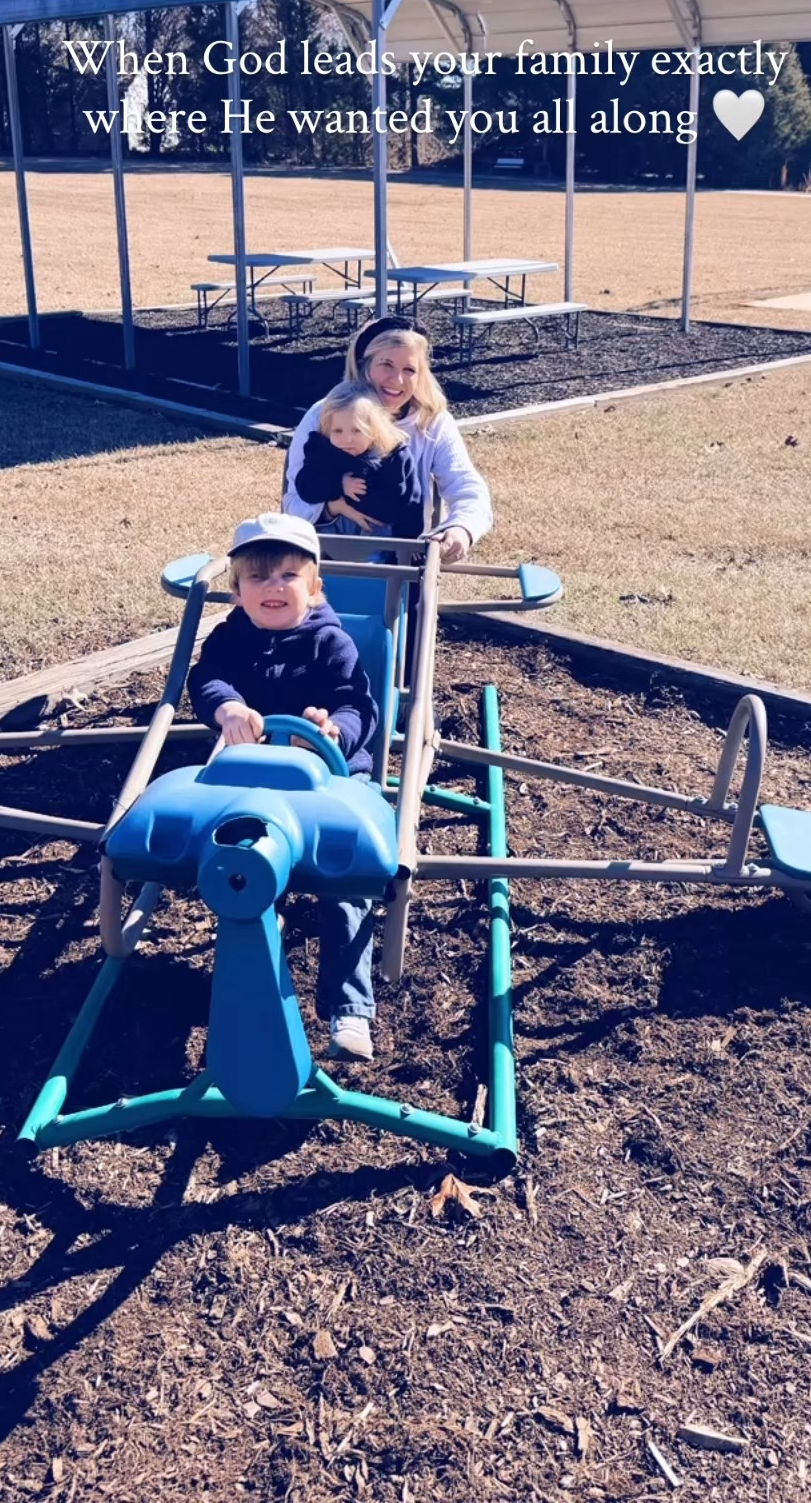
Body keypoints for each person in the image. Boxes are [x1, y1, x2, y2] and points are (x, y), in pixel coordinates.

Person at [186, 512, 379, 1062]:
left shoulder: (330, 643)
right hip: (249, 775)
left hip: (329, 776)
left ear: (315, 588)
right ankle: (245, 994)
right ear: (238, 591)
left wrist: (333, 731)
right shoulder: (230, 639)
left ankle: (350, 1009)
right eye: (258, 577)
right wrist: (226, 707)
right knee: (231, 865)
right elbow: (207, 679)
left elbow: (356, 703)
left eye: (289, 576)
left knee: (345, 874)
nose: (273, 587)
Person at [283, 317, 492, 561]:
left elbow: (466, 486)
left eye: (409, 370)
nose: (398, 380)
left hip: (402, 560)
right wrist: (332, 507)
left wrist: (461, 528)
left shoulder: (431, 421)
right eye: (386, 365)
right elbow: (292, 503)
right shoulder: (326, 413)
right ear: (364, 366)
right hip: (325, 558)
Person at [293, 382, 424, 539]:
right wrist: (338, 484)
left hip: (382, 537)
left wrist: (410, 540)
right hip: (331, 536)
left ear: (374, 429)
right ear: (327, 430)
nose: (347, 439)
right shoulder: (323, 453)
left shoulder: (394, 457)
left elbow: (412, 502)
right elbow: (305, 487)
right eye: (338, 431)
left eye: (357, 430)